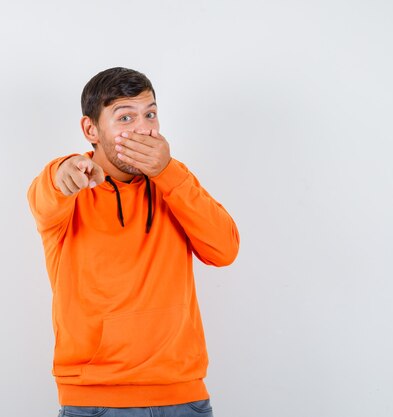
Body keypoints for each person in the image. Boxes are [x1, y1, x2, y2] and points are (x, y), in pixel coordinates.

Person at [27, 67, 240, 416]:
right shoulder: (70, 185)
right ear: (90, 130)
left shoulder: (174, 180)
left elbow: (224, 250)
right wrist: (62, 171)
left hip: (182, 397)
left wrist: (168, 172)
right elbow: (47, 193)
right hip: (94, 399)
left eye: (150, 114)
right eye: (125, 117)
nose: (144, 129)